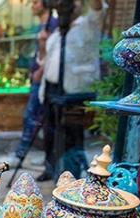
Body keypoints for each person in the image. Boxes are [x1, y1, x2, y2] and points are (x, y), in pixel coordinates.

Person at [37, 0, 107, 181]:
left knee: (72, 136)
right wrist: (42, 46)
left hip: (73, 93)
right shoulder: (56, 33)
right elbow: (44, 62)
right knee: (50, 135)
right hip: (51, 90)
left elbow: (98, 9)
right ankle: (50, 169)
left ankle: (70, 178)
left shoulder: (88, 25)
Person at [0, 0, 57, 167]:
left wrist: (40, 71)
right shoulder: (42, 25)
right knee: (36, 118)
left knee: (31, 116)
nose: (32, 5)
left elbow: (53, 53)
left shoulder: (52, 24)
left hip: (44, 79)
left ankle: (20, 155)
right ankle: (47, 159)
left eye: (35, 2)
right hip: (38, 77)